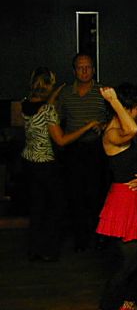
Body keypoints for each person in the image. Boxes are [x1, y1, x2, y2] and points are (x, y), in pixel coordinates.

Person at [90, 84, 137, 310]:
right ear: (125, 108)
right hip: (123, 202)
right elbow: (131, 128)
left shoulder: (121, 132)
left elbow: (125, 157)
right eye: (136, 108)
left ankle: (128, 303)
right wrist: (114, 100)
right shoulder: (112, 131)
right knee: (128, 263)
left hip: (134, 201)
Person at [21, 67, 100, 262]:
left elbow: (43, 107)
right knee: (56, 207)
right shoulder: (48, 111)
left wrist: (54, 94)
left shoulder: (26, 104)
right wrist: (88, 126)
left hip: (29, 162)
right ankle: (49, 250)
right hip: (46, 165)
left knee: (37, 207)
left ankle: (34, 249)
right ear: (47, 86)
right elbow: (62, 140)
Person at [56, 53, 110, 252]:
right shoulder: (66, 94)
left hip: (96, 149)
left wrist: (103, 127)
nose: (85, 71)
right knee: (74, 194)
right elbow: (56, 119)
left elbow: (113, 118)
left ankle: (99, 238)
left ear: (93, 69)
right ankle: (80, 239)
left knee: (96, 194)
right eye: (80, 67)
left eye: (88, 67)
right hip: (73, 150)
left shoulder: (102, 92)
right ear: (74, 70)